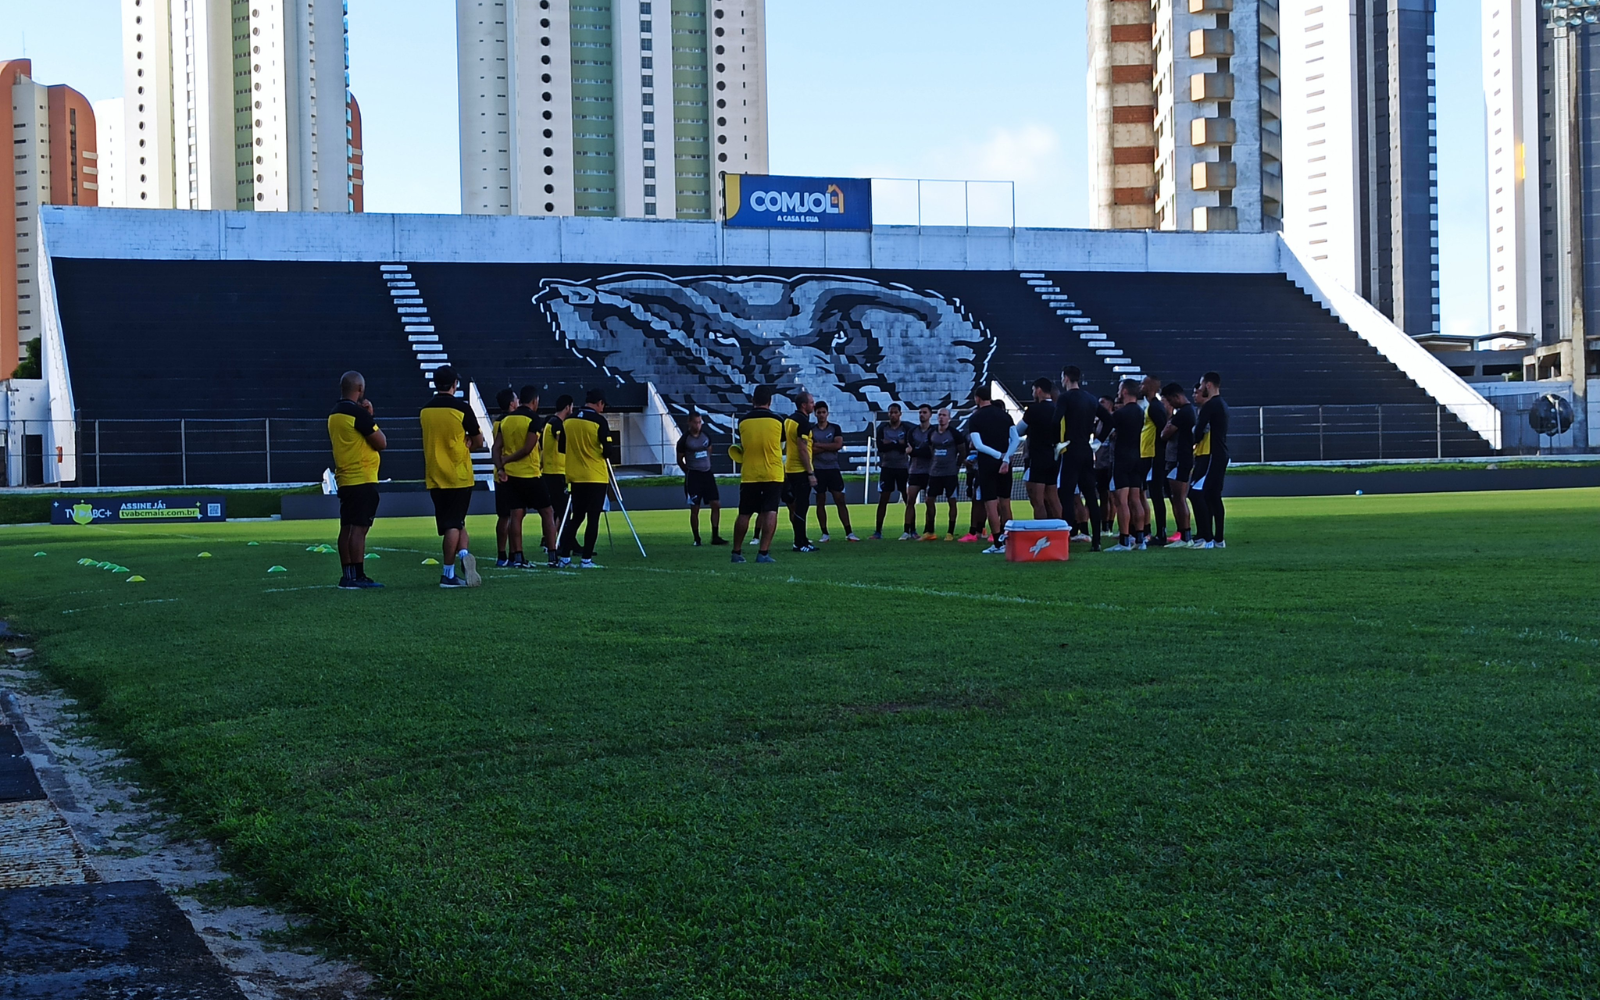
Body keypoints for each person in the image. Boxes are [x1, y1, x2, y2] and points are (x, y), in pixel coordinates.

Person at [421, 365, 484, 587]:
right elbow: (478, 441)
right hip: (458, 474)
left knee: (456, 522)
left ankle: (465, 554)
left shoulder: (425, 410)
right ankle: (448, 573)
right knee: (453, 525)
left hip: (435, 475)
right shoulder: (461, 409)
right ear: (455, 385)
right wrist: (467, 440)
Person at [327, 371, 387, 588]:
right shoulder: (358, 414)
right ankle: (359, 576)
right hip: (362, 477)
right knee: (359, 529)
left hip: (345, 478)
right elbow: (381, 442)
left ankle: (348, 575)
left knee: (347, 527)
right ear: (360, 389)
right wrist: (370, 416)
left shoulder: (335, 413)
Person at [554, 389, 617, 569]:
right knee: (593, 518)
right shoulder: (599, 421)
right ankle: (586, 559)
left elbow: (562, 448)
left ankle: (565, 556)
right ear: (599, 403)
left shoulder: (569, 420)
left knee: (576, 517)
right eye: (603, 405)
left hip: (575, 475)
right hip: (595, 476)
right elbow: (608, 450)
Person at [1052, 366, 1109, 553]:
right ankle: (1097, 541)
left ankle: (1066, 537)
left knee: (1066, 495)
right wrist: (1098, 441)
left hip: (1070, 449)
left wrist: (1056, 443)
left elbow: (1056, 421)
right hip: (1086, 450)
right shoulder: (1091, 398)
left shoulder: (1065, 398)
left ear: (1066, 378)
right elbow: (1109, 420)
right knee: (1091, 496)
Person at [494, 386, 552, 568]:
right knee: (547, 513)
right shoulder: (533, 419)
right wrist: (509, 459)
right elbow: (528, 448)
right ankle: (553, 556)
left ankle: (517, 556)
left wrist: (501, 467)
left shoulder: (506, 419)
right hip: (530, 473)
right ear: (534, 401)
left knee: (515, 515)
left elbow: (495, 447)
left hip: (511, 476)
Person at [730, 385, 785, 564]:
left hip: (750, 473)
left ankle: (736, 552)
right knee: (770, 511)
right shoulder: (778, 421)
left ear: (753, 400)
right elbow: (781, 444)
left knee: (744, 513)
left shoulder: (743, 422)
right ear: (770, 401)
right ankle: (763, 553)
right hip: (773, 472)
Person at [963, 384, 1015, 555]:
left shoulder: (975, 418)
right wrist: (1005, 457)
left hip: (988, 464)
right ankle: (1011, 541)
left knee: (991, 504)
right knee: (1005, 503)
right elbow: (1015, 440)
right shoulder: (1005, 416)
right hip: (1006, 463)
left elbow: (978, 445)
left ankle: (998, 543)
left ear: (977, 398)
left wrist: (997, 455)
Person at [1105, 379, 1147, 552]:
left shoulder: (1119, 414)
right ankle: (1140, 538)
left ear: (1124, 392)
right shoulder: (1140, 411)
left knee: (1122, 501)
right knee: (1136, 499)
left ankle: (1124, 541)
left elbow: (1106, 430)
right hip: (1137, 457)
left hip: (1122, 458)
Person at [810, 401, 859, 542]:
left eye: (823, 412)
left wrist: (820, 446)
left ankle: (849, 532)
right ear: (815, 414)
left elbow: (838, 445)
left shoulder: (835, 428)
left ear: (827, 413)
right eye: (818, 412)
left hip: (833, 468)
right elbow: (810, 449)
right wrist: (828, 446)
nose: (821, 415)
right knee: (820, 500)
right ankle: (824, 533)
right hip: (818, 469)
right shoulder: (811, 430)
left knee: (840, 500)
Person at [1192, 371, 1231, 549]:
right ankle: (1218, 538)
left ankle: (1207, 538)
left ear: (1208, 385)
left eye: (1200, 385)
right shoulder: (1222, 404)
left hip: (1212, 455)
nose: (1199, 389)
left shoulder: (1210, 405)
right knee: (1214, 496)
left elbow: (1198, 431)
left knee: (1200, 493)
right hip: (1221, 453)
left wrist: (1192, 441)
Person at [677, 412, 726, 546]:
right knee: (695, 508)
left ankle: (715, 536)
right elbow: (680, 459)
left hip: (707, 474)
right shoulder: (684, 440)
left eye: (700, 422)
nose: (698, 425)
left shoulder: (706, 436)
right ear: (690, 423)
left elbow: (709, 450)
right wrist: (688, 471)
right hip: (694, 477)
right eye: (695, 422)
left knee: (716, 504)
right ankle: (697, 538)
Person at [1021, 377, 1062, 522]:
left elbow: (1019, 430)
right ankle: (1060, 531)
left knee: (1038, 500)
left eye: (1033, 390)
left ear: (1038, 390)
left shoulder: (1034, 410)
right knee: (1053, 496)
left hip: (1038, 457)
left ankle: (1042, 532)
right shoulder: (1058, 409)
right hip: (1054, 456)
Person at [1160, 382, 1196, 546]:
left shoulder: (1184, 413)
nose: (1169, 404)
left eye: (1169, 400)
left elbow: (1165, 434)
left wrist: (1169, 420)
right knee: (1176, 498)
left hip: (1180, 459)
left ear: (1176, 397)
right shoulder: (1185, 412)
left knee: (1179, 498)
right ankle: (1183, 533)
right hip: (1178, 459)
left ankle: (1185, 535)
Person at [782, 391, 818, 552]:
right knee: (802, 506)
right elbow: (803, 449)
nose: (813, 405)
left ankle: (802, 539)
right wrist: (810, 472)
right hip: (800, 469)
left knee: (798, 506)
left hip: (790, 468)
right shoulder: (803, 422)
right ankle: (800, 542)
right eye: (811, 402)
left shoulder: (789, 420)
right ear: (804, 405)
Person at [924, 406, 965, 540]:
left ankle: (950, 532)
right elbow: (931, 449)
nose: (941, 418)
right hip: (935, 473)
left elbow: (962, 451)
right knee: (929, 500)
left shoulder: (954, 433)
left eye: (944, 415)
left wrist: (957, 465)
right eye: (940, 415)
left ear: (949, 418)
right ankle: (930, 531)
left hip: (950, 473)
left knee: (952, 501)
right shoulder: (932, 433)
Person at [873, 404, 913, 539]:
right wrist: (898, 443)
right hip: (887, 467)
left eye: (895, 412)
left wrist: (890, 443)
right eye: (891, 412)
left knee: (908, 499)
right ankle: (878, 531)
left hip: (903, 467)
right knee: (883, 499)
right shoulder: (882, 428)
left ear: (900, 414)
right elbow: (880, 447)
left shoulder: (906, 428)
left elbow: (907, 447)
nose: (893, 415)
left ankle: (911, 530)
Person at [1139, 375, 1170, 547]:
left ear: (1151, 386)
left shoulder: (1155, 407)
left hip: (1154, 457)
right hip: (1149, 455)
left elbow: (1163, 431)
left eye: (1143, 383)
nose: (1141, 386)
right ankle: (1156, 532)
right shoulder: (1152, 406)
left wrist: (1158, 454)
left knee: (1156, 495)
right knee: (1153, 495)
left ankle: (1161, 533)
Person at [491, 388, 520, 567]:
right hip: (511, 473)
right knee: (513, 515)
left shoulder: (497, 422)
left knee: (503, 516)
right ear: (512, 403)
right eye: (516, 399)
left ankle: (502, 555)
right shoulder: (510, 422)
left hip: (499, 473)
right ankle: (513, 553)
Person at [541, 393, 573, 545]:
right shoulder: (557, 424)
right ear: (568, 407)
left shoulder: (549, 422)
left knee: (555, 511)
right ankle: (561, 542)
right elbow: (564, 443)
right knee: (564, 511)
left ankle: (551, 541)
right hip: (556, 472)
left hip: (549, 472)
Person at [903, 404, 936, 539]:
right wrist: (915, 452)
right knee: (910, 500)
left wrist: (915, 451)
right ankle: (908, 530)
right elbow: (908, 450)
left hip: (930, 471)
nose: (922, 415)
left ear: (930, 415)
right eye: (920, 412)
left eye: (924, 412)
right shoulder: (912, 431)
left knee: (930, 501)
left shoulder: (934, 431)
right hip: (915, 471)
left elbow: (930, 452)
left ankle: (929, 529)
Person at [1095, 395, 1116, 537]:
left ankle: (1110, 525)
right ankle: (1105, 527)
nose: (1100, 404)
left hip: (1112, 461)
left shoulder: (1115, 419)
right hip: (1100, 462)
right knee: (1103, 495)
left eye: (1103, 402)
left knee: (1113, 496)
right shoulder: (1098, 422)